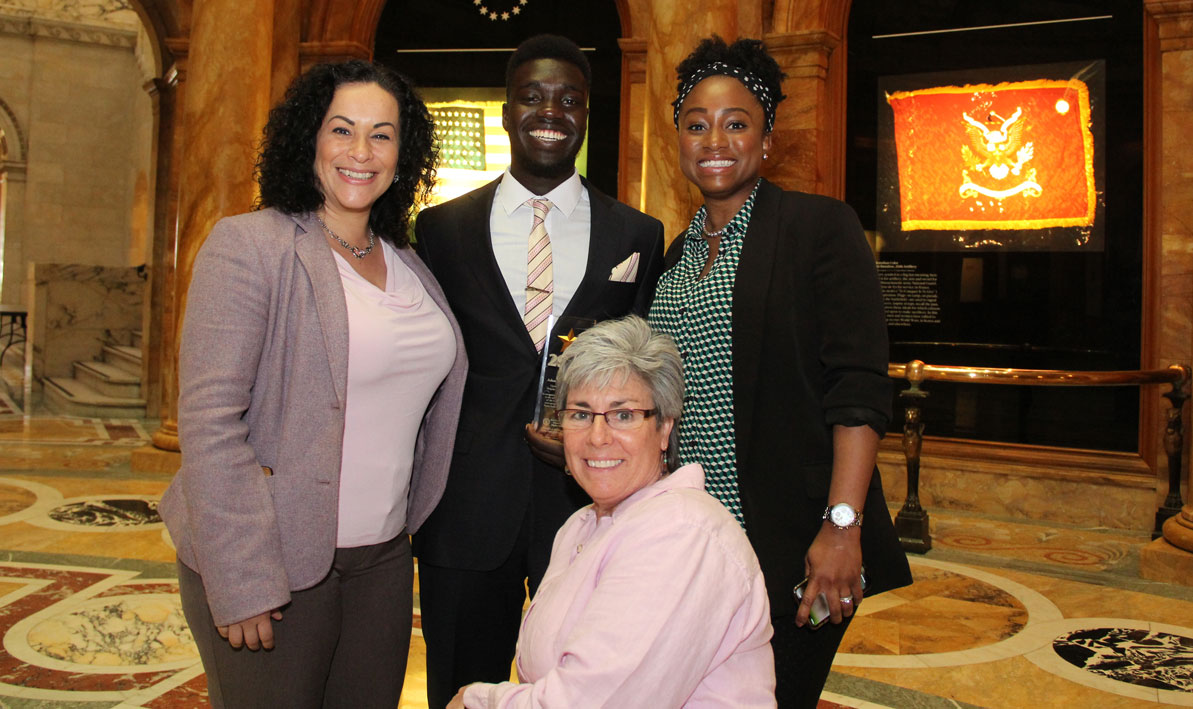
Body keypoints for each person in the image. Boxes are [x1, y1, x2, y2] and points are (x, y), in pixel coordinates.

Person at [158, 60, 467, 708]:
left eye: (381, 134)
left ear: (402, 151)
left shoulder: (410, 262)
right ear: (309, 138)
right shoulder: (251, 245)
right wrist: (240, 577)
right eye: (342, 129)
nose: (361, 151)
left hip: (381, 563)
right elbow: (211, 418)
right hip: (271, 561)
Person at [648, 36, 913, 707]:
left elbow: (856, 387)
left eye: (737, 122)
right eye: (697, 123)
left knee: (777, 694)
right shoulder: (675, 254)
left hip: (795, 548)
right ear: (678, 138)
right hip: (688, 544)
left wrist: (841, 525)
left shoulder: (816, 227)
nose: (716, 139)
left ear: (766, 142)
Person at [412, 34, 666, 709]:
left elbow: (639, 367)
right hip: (463, 508)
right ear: (505, 111)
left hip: (589, 503)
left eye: (569, 99)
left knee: (588, 692)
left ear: (586, 114)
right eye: (532, 96)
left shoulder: (636, 235)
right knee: (461, 690)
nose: (550, 110)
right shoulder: (440, 230)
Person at [447, 316, 775, 709]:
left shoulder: (683, 533)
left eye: (623, 415)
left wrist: (477, 699)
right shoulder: (580, 526)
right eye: (581, 414)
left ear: (665, 428)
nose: (598, 437)